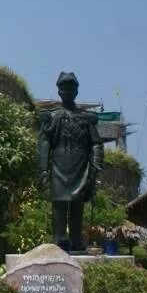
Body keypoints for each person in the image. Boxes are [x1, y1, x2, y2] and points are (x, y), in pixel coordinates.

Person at [39, 71, 104, 251]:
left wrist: (96, 165)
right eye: (64, 89)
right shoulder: (52, 116)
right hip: (59, 166)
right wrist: (43, 169)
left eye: (71, 89)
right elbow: (44, 143)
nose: (67, 92)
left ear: (76, 92)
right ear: (59, 92)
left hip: (81, 168)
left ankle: (76, 243)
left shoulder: (85, 118)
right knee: (59, 206)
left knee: (77, 207)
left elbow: (96, 143)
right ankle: (58, 243)